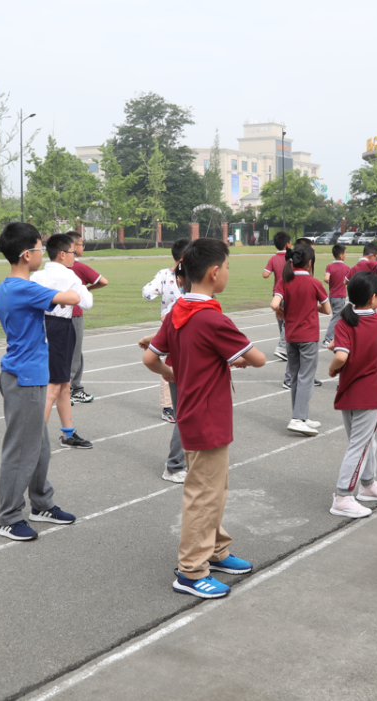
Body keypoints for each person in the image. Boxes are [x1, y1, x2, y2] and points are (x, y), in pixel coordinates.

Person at [143, 237, 268, 599]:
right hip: (208, 417)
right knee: (203, 493)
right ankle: (191, 571)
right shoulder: (213, 318)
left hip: (194, 413)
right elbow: (257, 358)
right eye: (228, 267)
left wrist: (174, 374)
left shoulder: (179, 311)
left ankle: (215, 549)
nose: (228, 272)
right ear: (214, 273)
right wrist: (236, 357)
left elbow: (151, 359)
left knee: (214, 488)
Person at [0, 223, 80, 541]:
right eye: (39, 247)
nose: (42, 252)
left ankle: (41, 503)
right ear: (27, 254)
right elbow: (73, 297)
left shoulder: (6, 287)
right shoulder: (26, 288)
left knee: (41, 447)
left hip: (23, 373)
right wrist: (65, 279)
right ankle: (8, 517)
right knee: (21, 450)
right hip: (25, 377)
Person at [327, 271, 377, 517]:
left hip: (348, 391)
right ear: (373, 297)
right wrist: (333, 364)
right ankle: (343, 495)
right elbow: (342, 355)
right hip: (369, 394)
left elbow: (343, 350)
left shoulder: (343, 322)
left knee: (366, 442)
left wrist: (335, 361)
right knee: (360, 445)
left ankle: (367, 484)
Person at [32, 234, 95, 450]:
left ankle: (68, 433)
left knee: (64, 384)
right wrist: (79, 285)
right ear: (62, 254)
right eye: (73, 252)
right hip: (60, 327)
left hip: (42, 326)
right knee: (54, 386)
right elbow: (87, 303)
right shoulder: (70, 276)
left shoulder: (36, 276)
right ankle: (36, 439)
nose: (75, 256)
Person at [140, 257, 191, 483]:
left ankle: (184, 461)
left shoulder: (195, 301)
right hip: (182, 364)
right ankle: (175, 464)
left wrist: (151, 338)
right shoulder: (186, 303)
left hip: (182, 359)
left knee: (190, 415)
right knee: (186, 416)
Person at [272, 245, 330, 436]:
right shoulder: (314, 283)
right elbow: (327, 309)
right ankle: (297, 418)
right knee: (306, 377)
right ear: (310, 262)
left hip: (291, 336)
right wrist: (311, 307)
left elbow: (274, 303)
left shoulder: (284, 280)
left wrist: (281, 310)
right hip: (308, 336)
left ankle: (301, 416)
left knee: (296, 376)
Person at [143, 237, 191, 423]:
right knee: (170, 364)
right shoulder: (166, 275)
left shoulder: (194, 274)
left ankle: (180, 402)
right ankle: (168, 406)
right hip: (172, 327)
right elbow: (147, 293)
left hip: (190, 325)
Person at [67, 232, 109, 404]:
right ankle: (67, 390)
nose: (83, 247)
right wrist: (87, 290)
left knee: (72, 352)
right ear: (74, 247)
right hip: (74, 314)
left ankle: (75, 387)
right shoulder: (79, 267)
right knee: (74, 353)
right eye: (81, 244)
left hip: (54, 315)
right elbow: (104, 281)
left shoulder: (55, 268)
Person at [262, 231, 292, 361]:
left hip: (277, 294)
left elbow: (265, 275)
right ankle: (284, 347)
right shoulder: (292, 258)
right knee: (289, 321)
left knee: (281, 319)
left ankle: (284, 347)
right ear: (287, 244)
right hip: (290, 293)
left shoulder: (273, 259)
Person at [323, 243, 351, 347]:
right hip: (340, 295)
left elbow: (326, 278)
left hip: (332, 295)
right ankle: (328, 339)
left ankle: (336, 337)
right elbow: (349, 280)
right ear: (341, 255)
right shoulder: (346, 268)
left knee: (337, 316)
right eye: (345, 253)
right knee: (336, 317)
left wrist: (331, 282)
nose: (345, 255)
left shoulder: (329, 266)